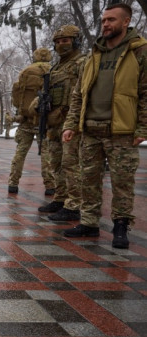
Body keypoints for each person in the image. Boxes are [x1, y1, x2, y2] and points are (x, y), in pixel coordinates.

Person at [62, 3, 147, 249]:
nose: (106, 24)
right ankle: (89, 223)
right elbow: (79, 93)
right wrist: (71, 124)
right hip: (90, 130)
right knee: (87, 179)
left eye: (111, 20)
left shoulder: (139, 51)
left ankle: (121, 226)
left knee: (122, 182)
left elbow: (145, 92)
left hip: (121, 131)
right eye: (104, 20)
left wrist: (142, 128)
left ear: (126, 21)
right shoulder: (95, 54)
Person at [37, 26, 86, 219]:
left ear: (75, 41)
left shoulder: (81, 63)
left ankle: (74, 205)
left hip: (70, 123)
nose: (60, 45)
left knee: (71, 163)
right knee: (55, 163)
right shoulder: (56, 67)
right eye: (57, 42)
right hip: (54, 121)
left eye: (65, 40)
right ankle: (61, 197)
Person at [8, 47, 55, 195]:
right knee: (47, 155)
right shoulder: (54, 71)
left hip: (26, 121)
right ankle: (50, 186)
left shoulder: (25, 72)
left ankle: (13, 184)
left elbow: (17, 97)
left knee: (20, 154)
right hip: (45, 121)